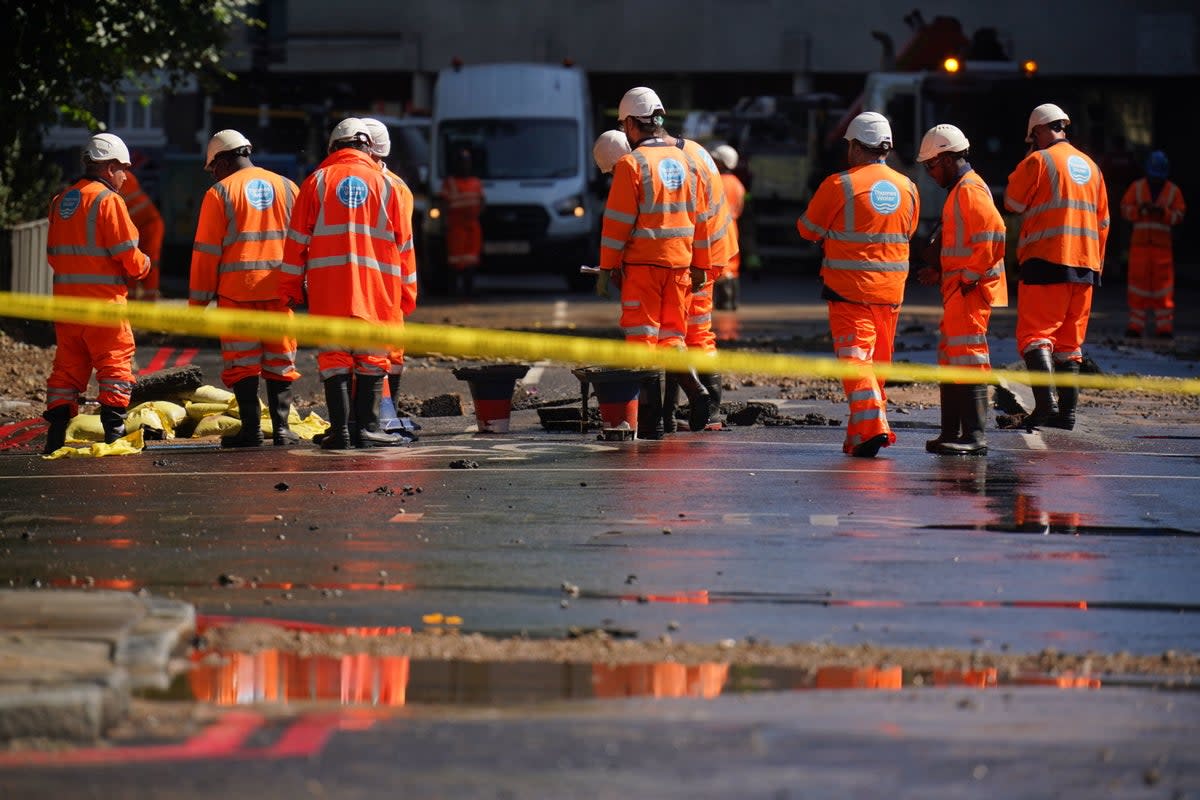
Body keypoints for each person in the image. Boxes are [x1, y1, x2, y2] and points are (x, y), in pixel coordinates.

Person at [280, 118, 410, 450]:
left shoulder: (316, 181)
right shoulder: (388, 185)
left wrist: (290, 287)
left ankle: (341, 431)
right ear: (367, 147)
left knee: (334, 356)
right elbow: (405, 245)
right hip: (376, 288)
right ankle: (367, 429)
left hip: (329, 287)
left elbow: (295, 242)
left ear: (333, 148)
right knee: (371, 356)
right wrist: (407, 291)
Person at [796, 112, 918, 458]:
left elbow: (807, 229)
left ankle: (873, 427)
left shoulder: (840, 184)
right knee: (874, 366)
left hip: (851, 291)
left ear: (855, 146)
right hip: (892, 291)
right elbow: (906, 232)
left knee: (856, 362)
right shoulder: (908, 187)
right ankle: (859, 437)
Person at [596, 87, 714, 434]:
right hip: (680, 265)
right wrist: (701, 265)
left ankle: (650, 422)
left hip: (644, 267)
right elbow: (702, 218)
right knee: (673, 338)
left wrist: (605, 268)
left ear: (631, 123)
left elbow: (616, 223)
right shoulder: (687, 160)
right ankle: (695, 389)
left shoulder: (633, 164)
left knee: (642, 342)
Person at [189, 129, 302, 448]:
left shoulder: (219, 193)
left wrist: (197, 303)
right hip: (279, 292)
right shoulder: (287, 186)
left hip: (237, 295)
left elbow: (206, 253)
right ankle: (281, 429)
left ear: (223, 160)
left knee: (243, 363)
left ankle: (251, 430)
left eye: (213, 167)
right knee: (281, 362)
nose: (214, 174)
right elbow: (301, 243)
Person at [43, 133, 152, 453]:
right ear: (108, 168)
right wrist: (145, 266)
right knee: (115, 368)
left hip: (67, 308)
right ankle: (114, 437)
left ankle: (55, 439)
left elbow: (53, 256)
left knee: (65, 372)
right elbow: (130, 258)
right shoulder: (109, 201)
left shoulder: (60, 200)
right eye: (122, 169)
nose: (125, 176)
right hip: (104, 307)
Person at [1004, 103, 1109, 432]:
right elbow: (1104, 221)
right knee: (1068, 343)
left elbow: (1012, 203)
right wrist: (1097, 266)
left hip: (1046, 260)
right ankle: (1067, 414)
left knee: (1036, 336)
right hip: (1087, 265)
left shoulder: (1037, 160)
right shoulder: (1092, 167)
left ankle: (1046, 404)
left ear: (1037, 132)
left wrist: (1027, 160)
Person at [914, 124, 1007, 456]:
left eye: (932, 164)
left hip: (969, 291)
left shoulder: (969, 190)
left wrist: (968, 276)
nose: (930, 172)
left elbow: (995, 233)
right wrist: (940, 270)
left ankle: (974, 436)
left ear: (950, 158)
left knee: (967, 359)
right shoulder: (960, 190)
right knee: (952, 359)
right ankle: (952, 432)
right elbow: (963, 243)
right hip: (957, 289)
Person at [361, 117, 419, 438]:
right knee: (387, 353)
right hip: (389, 286)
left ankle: (376, 417)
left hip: (369, 285)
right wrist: (407, 290)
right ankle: (384, 414)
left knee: (368, 354)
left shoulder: (356, 183)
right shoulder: (398, 187)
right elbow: (406, 246)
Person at [1120, 150, 1186, 340]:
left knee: (1163, 290)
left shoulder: (1173, 191)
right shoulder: (1137, 187)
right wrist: (1140, 211)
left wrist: (1163, 213)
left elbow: (1179, 215)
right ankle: (1135, 326)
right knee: (1136, 287)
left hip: (1161, 249)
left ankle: (1163, 328)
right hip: (1140, 247)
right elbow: (1125, 209)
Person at [118, 157, 165, 300]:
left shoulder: (121, 179)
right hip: (141, 225)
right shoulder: (125, 178)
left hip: (149, 225)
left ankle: (148, 300)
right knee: (131, 261)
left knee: (150, 263)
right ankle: (133, 300)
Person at [440, 147, 484, 297]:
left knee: (471, 260)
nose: (465, 166)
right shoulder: (450, 183)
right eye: (462, 162)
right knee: (455, 261)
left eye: (467, 162)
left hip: (472, 227)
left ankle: (468, 290)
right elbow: (443, 205)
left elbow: (482, 202)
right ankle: (453, 291)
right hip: (456, 227)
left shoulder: (476, 182)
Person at [711, 144, 747, 312]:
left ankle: (724, 303)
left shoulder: (717, 181)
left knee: (720, 263)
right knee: (732, 263)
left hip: (719, 225)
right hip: (733, 226)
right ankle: (732, 301)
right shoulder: (737, 183)